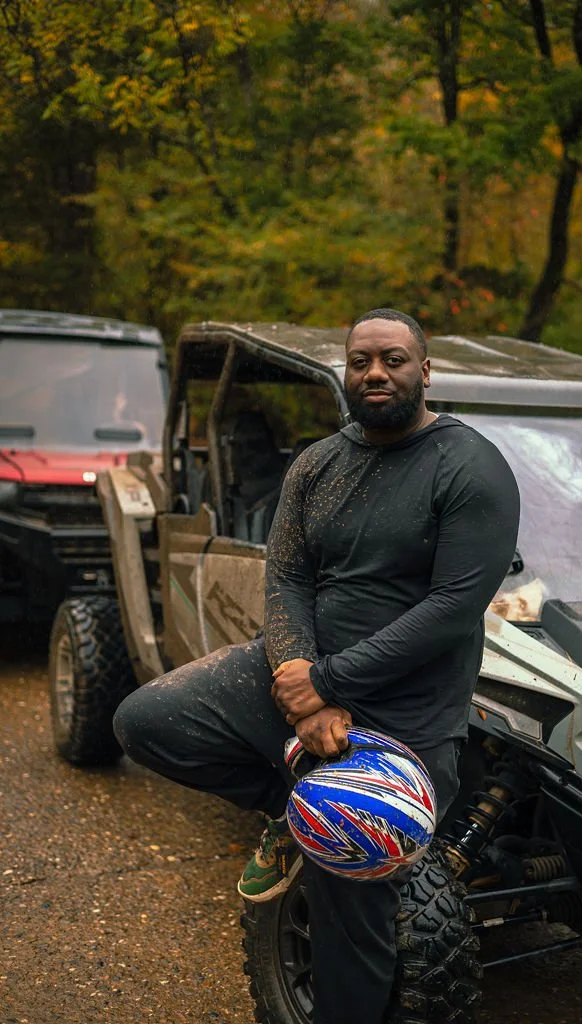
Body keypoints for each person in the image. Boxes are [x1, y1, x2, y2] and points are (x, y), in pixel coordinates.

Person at [113, 307, 520, 1023]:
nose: (373, 372)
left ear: (424, 372)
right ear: (344, 370)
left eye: (392, 359)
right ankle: (295, 809)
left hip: (403, 715)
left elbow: (453, 606)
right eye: (359, 359)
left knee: (350, 915)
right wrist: (301, 676)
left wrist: (330, 685)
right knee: (144, 720)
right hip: (299, 678)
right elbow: (288, 578)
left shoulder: (469, 466)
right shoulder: (318, 463)